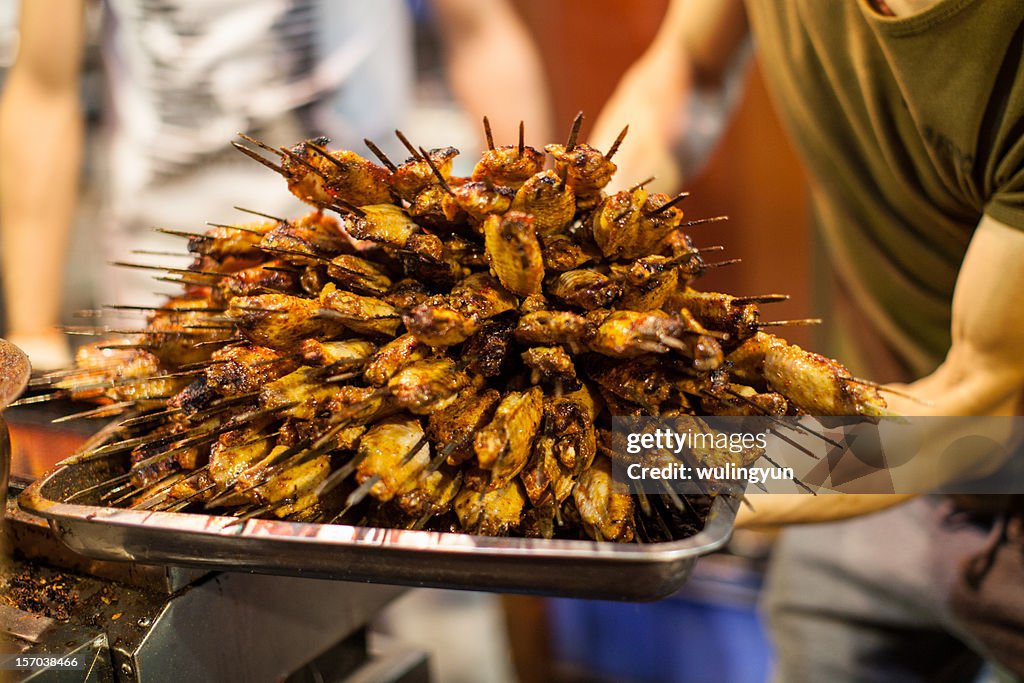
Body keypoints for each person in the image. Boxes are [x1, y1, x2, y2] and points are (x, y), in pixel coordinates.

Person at [592, 0, 1024, 680]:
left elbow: (972, 412)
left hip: (976, 450)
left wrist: (653, 461)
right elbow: (688, 68)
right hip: (872, 438)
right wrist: (578, 230)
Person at [0, 0, 552, 371]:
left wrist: (537, 240)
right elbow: (43, 89)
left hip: (373, 279)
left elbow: (481, 35)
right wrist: (33, 330)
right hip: (163, 287)